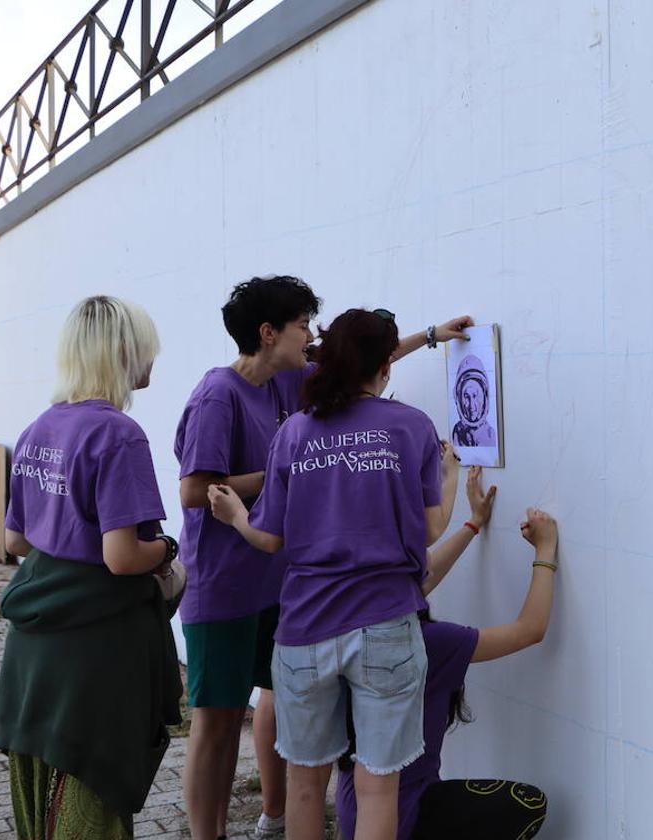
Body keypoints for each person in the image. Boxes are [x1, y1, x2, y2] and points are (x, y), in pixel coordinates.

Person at [175, 276, 469, 840]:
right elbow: (195, 488)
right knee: (228, 730)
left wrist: (429, 336)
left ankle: (271, 816)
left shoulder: (292, 410)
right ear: (269, 333)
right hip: (269, 595)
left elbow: (360, 363)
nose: (309, 335)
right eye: (302, 324)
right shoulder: (223, 395)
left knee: (298, 757)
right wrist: (281, 475)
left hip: (294, 607)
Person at [0, 296, 182, 840]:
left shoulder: (40, 426)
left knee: (42, 813)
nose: (153, 359)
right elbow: (122, 557)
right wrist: (169, 551)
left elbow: (16, 540)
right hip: (93, 661)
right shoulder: (119, 433)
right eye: (148, 347)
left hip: (32, 660)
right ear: (124, 351)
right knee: (88, 813)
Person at [336, 471, 557, 840]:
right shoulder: (428, 643)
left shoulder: (352, 625)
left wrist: (472, 524)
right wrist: (545, 550)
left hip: (354, 813)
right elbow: (530, 629)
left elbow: (422, 578)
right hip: (402, 817)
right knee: (527, 803)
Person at [450, 355, 496, 446]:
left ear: (484, 396)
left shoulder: (491, 436)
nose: (471, 405)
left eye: (475, 396)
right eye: (466, 396)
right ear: (458, 398)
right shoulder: (456, 432)